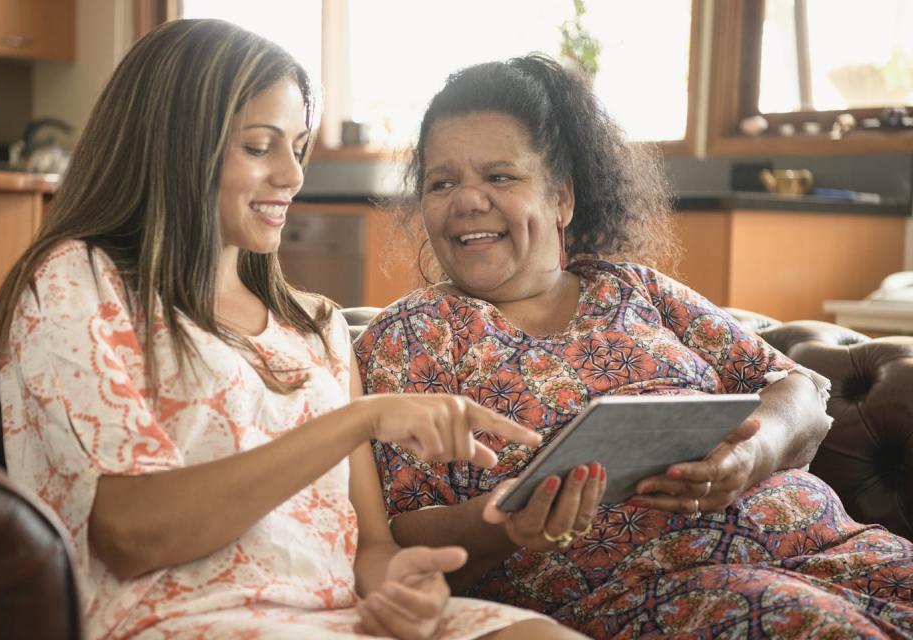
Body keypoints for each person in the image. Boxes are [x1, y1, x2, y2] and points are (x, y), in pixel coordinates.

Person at [0, 22, 592, 640]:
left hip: (340, 621)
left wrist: (403, 588)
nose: (292, 175)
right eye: (258, 147)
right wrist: (359, 419)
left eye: (296, 146)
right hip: (182, 621)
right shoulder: (75, 283)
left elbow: (369, 550)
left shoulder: (316, 327)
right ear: (174, 145)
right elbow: (131, 535)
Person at [354, 53, 913, 638]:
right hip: (660, 591)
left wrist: (754, 453)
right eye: (442, 182)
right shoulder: (412, 336)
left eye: (499, 176)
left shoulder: (633, 287)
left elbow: (800, 388)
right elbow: (402, 533)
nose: (467, 200)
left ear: (562, 199)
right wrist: (510, 522)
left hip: (835, 546)